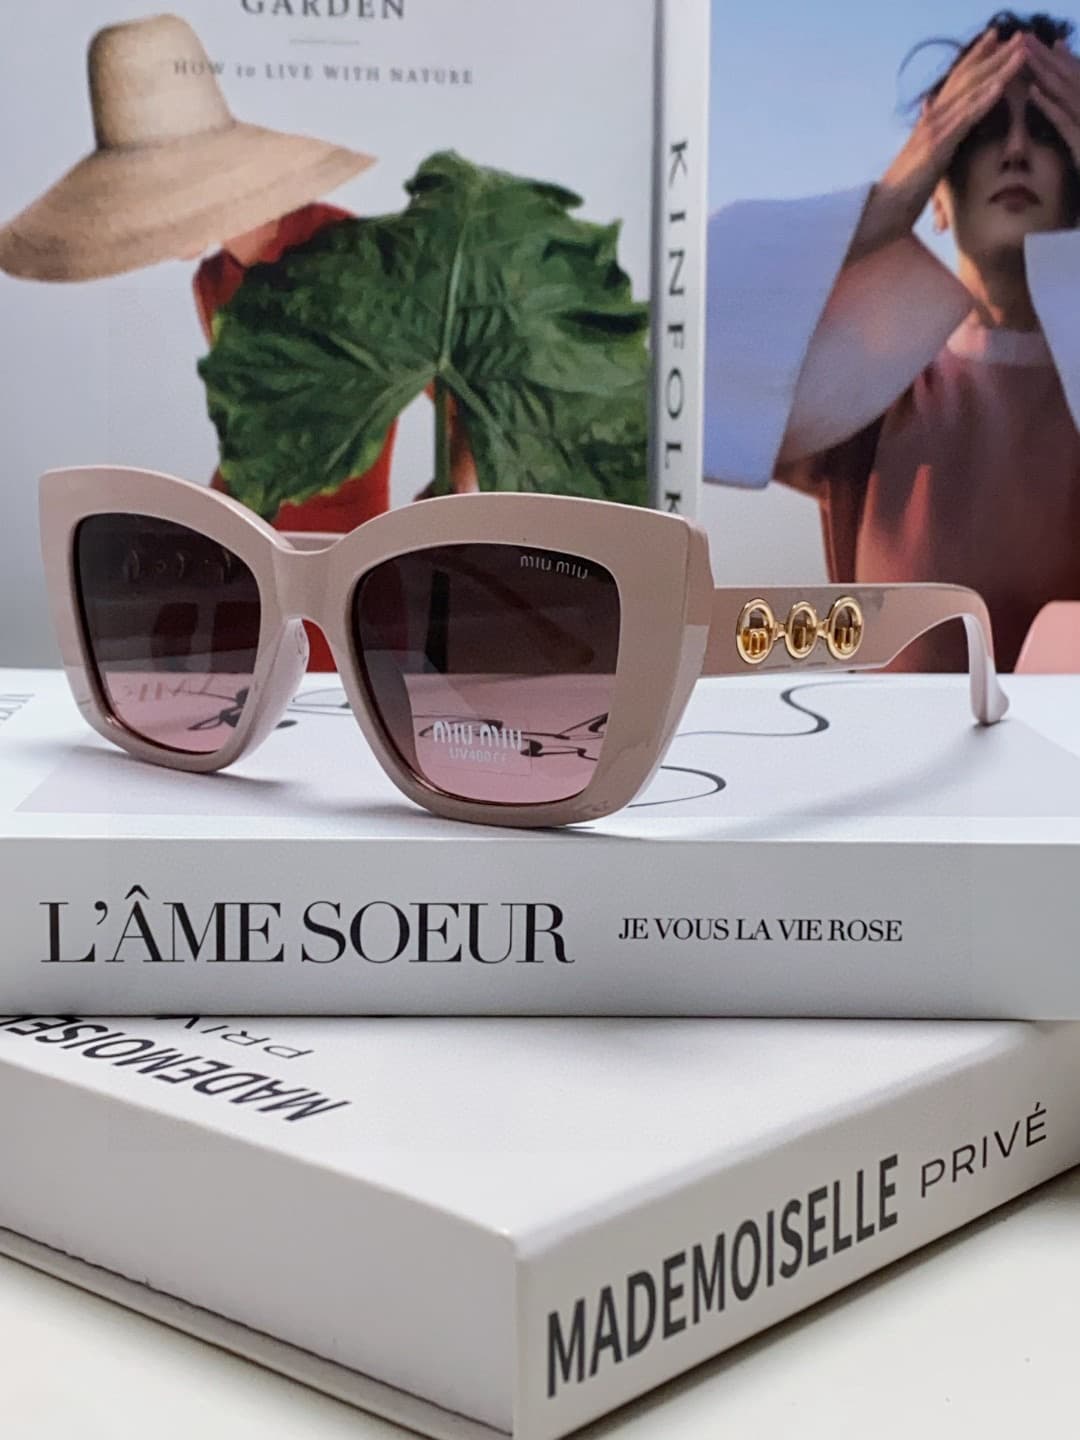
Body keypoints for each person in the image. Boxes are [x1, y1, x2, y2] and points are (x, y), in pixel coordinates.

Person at [704, 10, 1080, 672]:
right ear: (939, 194)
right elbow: (674, 363)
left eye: (1048, 129)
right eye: (981, 129)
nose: (1016, 150)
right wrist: (883, 206)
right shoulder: (874, 386)